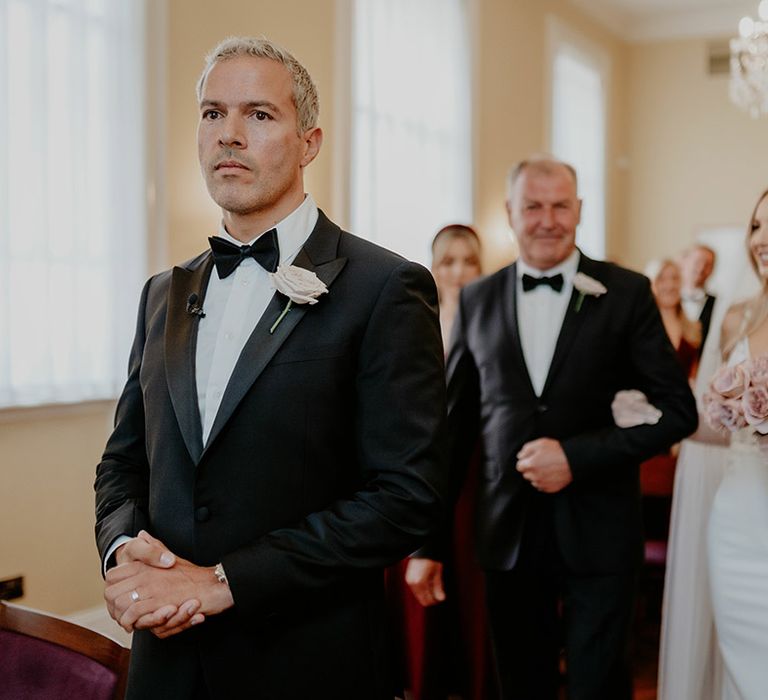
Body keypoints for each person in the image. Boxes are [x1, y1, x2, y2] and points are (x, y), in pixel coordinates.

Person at [94, 36, 448, 700]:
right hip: (167, 664)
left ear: (309, 142)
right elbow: (123, 462)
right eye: (212, 114)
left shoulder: (384, 287)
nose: (230, 134)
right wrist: (124, 554)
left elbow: (406, 498)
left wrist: (225, 581)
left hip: (307, 659)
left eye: (259, 115)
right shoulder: (161, 294)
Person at [408, 155, 698, 700]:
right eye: (533, 206)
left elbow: (678, 411)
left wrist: (578, 456)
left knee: (598, 686)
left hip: (602, 530)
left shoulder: (626, 293)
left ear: (580, 210)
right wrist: (428, 545)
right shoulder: (478, 298)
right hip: (508, 535)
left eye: (560, 205)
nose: (547, 220)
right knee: (519, 684)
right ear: (510, 213)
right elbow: (453, 431)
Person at [386, 223, 494, 700]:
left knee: (469, 578)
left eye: (468, 261)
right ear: (434, 267)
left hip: (476, 468)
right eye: (448, 261)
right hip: (420, 463)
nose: (458, 271)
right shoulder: (414, 319)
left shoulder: (493, 322)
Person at [703, 187, 768, 699]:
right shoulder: (736, 318)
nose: (761, 239)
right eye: (755, 226)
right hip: (738, 521)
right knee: (743, 661)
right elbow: (712, 428)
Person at [680, 244, 717, 353]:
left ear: (712, 270)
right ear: (685, 262)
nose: (701, 268)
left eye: (708, 265)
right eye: (697, 262)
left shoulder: (718, 304)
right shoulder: (668, 300)